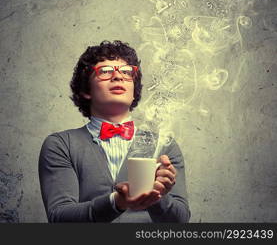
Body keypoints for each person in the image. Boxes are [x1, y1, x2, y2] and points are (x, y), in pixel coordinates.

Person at [38, 40, 191, 222]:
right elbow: (60, 217)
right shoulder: (61, 145)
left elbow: (180, 220)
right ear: (86, 90)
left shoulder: (165, 145)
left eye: (126, 72)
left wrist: (158, 195)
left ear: (134, 90)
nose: (118, 77)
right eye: (105, 71)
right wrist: (116, 202)